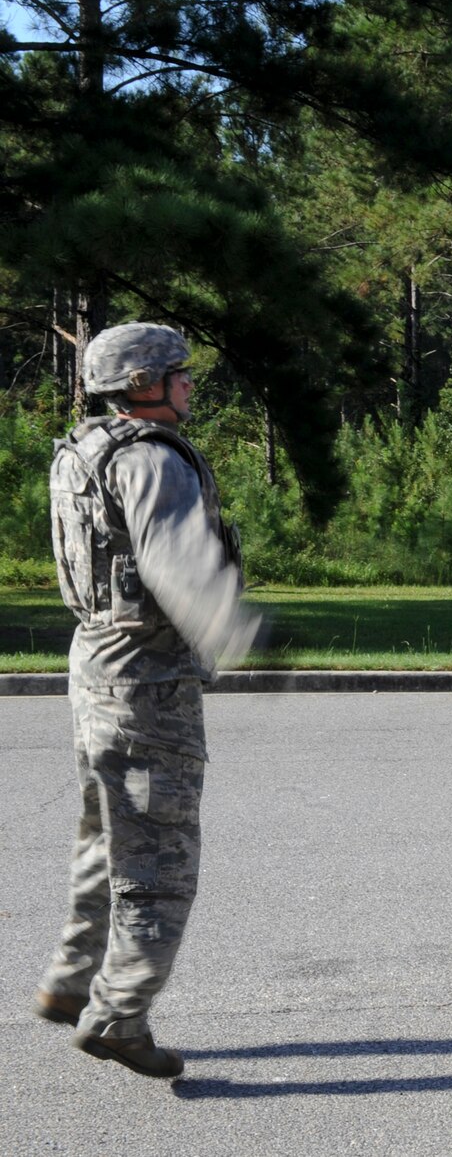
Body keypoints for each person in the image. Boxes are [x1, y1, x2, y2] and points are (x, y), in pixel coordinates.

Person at [35, 323, 261, 1079]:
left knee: (105, 831)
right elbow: (173, 561)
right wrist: (234, 627)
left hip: (93, 659)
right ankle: (119, 1014)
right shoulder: (150, 460)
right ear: (142, 385)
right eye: (178, 373)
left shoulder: (81, 450)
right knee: (160, 858)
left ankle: (71, 980)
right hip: (146, 678)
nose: (190, 383)